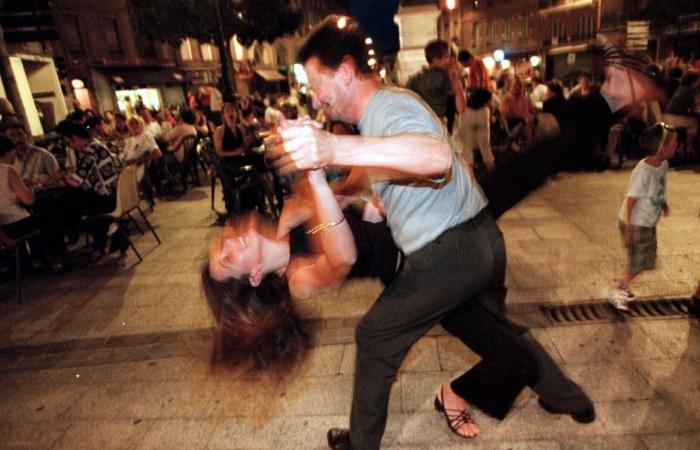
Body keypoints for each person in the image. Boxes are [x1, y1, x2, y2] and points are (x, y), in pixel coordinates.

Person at [271, 16, 592, 450]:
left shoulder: (388, 108)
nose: (315, 97)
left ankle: (360, 444)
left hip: (450, 253)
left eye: (317, 84)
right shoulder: (385, 112)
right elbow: (389, 170)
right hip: (481, 243)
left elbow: (435, 155)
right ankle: (566, 398)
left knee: (374, 335)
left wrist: (332, 148)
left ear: (346, 72)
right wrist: (342, 196)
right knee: (500, 337)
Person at [203, 166, 400, 368]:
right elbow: (343, 259)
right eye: (228, 258)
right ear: (255, 275)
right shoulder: (298, 276)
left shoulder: (288, 217)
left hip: (401, 227)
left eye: (221, 244)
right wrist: (316, 184)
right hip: (405, 265)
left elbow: (343, 196)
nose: (228, 243)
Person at [607, 122, 677, 311]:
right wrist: (629, 228)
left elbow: (659, 187)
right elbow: (631, 200)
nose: (676, 146)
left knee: (643, 261)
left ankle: (623, 285)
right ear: (662, 148)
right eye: (674, 143)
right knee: (636, 264)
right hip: (636, 223)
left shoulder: (663, 164)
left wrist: (663, 203)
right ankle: (616, 288)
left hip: (646, 222)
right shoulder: (644, 171)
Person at [405, 39, 465, 125]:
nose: (450, 61)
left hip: (420, 123)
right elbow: (461, 107)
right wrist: (456, 78)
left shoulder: (416, 77)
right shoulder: (442, 78)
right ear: (435, 60)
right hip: (438, 124)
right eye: (447, 57)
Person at [453, 49, 494, 172]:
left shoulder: (475, 64)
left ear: (466, 60)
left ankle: (471, 182)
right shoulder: (480, 64)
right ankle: (493, 176)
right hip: (484, 109)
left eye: (463, 63)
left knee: (466, 148)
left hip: (472, 109)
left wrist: (471, 90)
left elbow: (479, 82)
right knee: (486, 147)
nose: (463, 66)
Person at [123, 117, 162, 210]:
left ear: (141, 124)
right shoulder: (129, 140)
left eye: (136, 123)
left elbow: (157, 153)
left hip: (141, 165)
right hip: (129, 166)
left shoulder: (145, 136)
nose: (134, 126)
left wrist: (137, 160)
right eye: (131, 124)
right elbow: (125, 155)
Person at [499, 76, 536, 149]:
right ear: (510, 86)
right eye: (515, 85)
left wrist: (532, 116)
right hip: (512, 126)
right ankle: (530, 149)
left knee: (536, 122)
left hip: (525, 123)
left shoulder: (525, 98)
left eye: (520, 85)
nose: (518, 87)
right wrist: (522, 117)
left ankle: (534, 148)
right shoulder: (505, 99)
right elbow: (505, 114)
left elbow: (533, 110)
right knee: (527, 124)